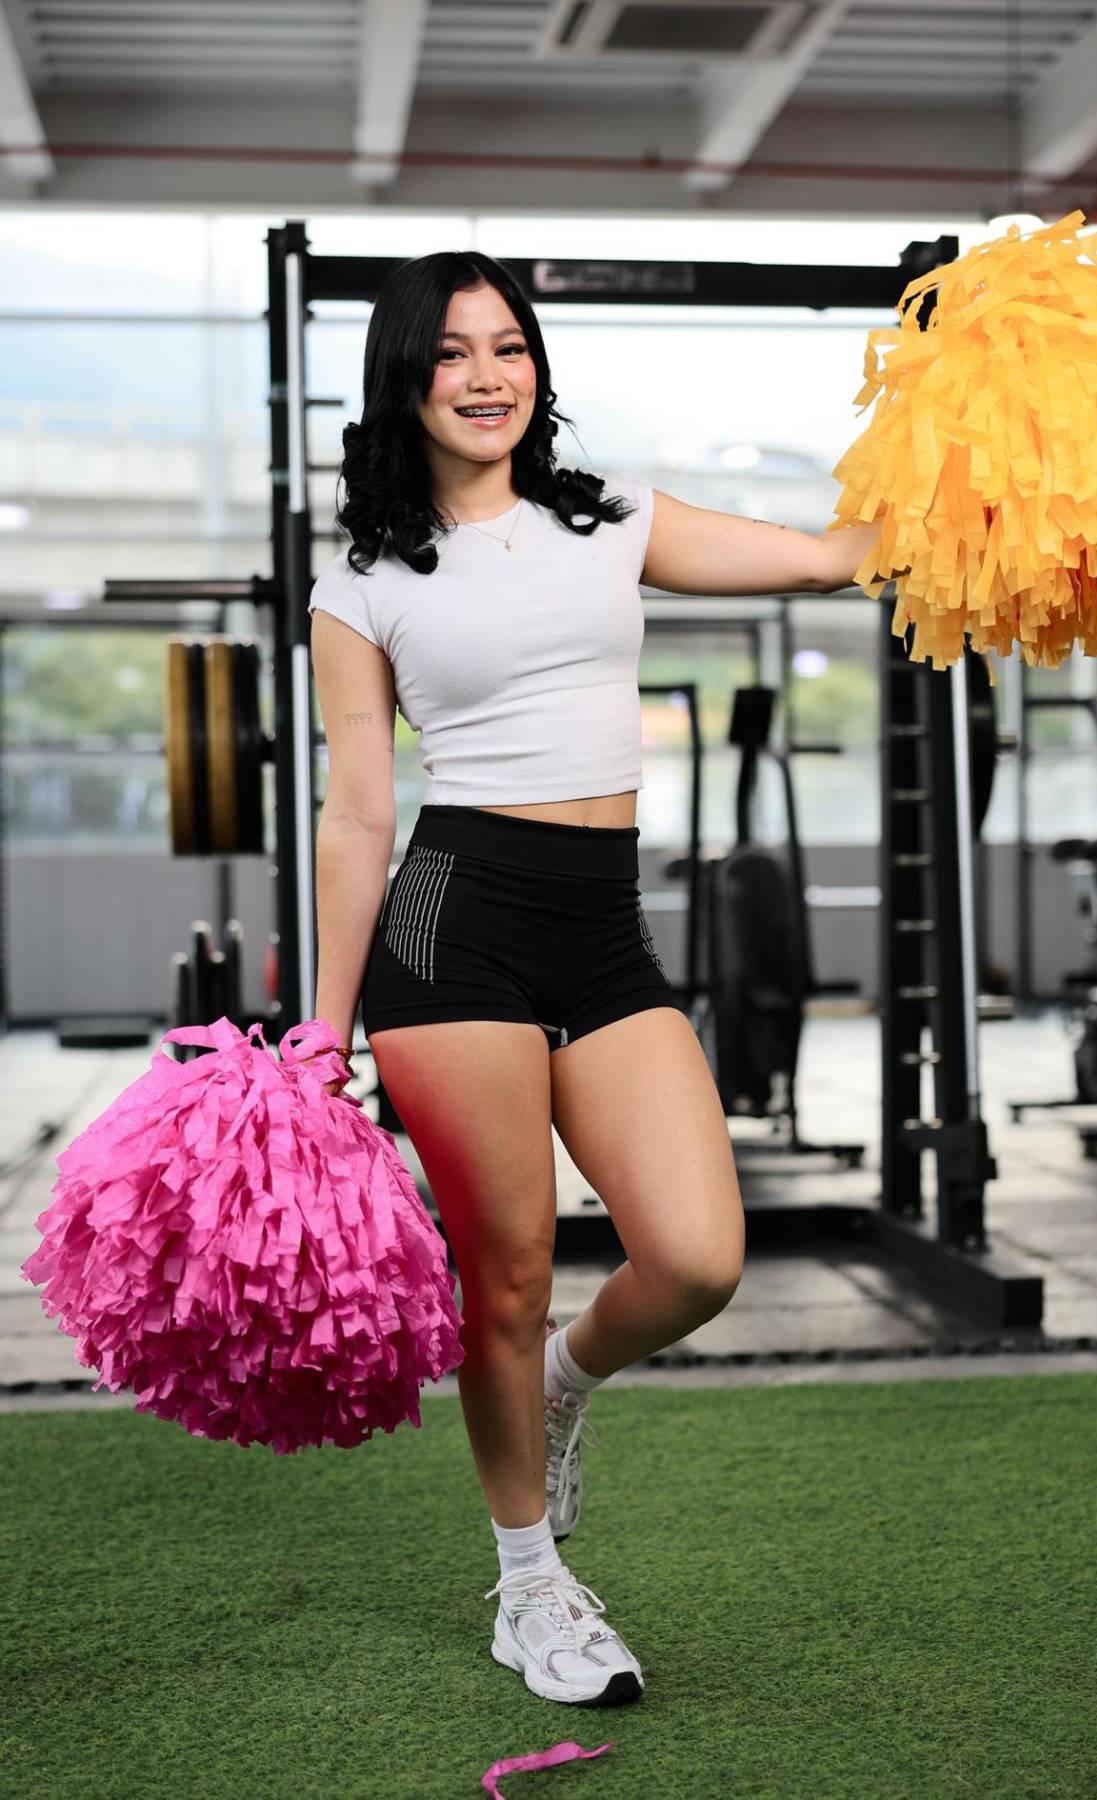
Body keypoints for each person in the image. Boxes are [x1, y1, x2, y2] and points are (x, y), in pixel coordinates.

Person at [308, 250, 879, 1709]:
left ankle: (568, 1382)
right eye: (455, 354)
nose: (491, 375)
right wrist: (325, 1026)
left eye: (511, 347)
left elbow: (825, 556)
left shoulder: (608, 517)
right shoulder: (363, 579)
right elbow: (362, 811)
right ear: (407, 380)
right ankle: (529, 1591)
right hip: (457, 930)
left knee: (694, 1258)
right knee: (500, 1277)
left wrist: (976, 496)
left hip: (603, 925)